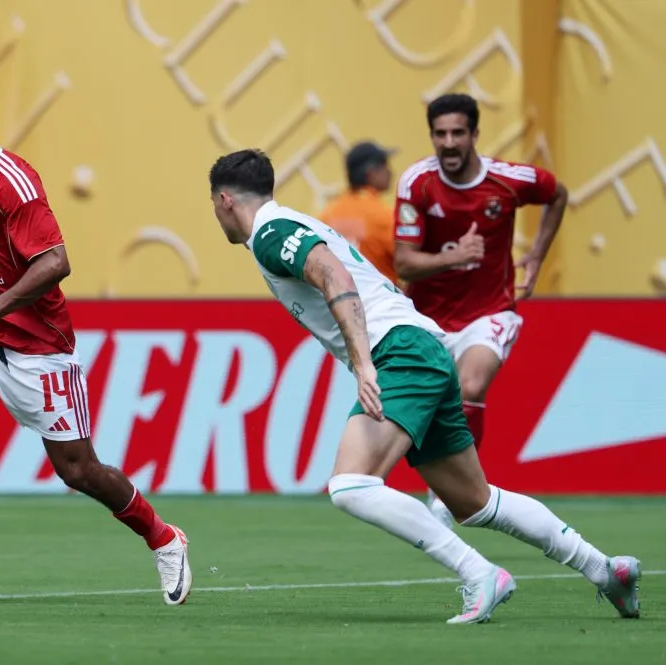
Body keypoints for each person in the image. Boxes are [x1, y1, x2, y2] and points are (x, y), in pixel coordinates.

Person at [207, 148, 640, 624]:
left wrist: (363, 361)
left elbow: (333, 275)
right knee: (476, 501)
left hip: (400, 351)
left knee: (351, 484)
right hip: (423, 345)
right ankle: (605, 569)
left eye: (213, 207)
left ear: (225, 200)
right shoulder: (290, 222)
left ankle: (479, 574)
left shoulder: (270, 233)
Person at [0, 73, 191, 606]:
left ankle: (163, 538)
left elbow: (55, 262)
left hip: (37, 347)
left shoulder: (13, 183)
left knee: (78, 470)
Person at [392, 93, 570, 528]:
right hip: (428, 318)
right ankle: (439, 484)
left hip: (489, 311)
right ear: (431, 135)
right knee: (429, 402)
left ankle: (451, 492)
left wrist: (538, 255)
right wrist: (454, 257)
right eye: (440, 134)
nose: (448, 143)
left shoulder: (509, 180)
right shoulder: (417, 183)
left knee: (470, 385)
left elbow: (558, 195)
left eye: (457, 133)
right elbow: (403, 262)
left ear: (474, 135)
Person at [318, 141, 399, 285]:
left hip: (339, 300)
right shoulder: (383, 215)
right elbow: (408, 260)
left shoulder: (327, 213)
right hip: (381, 300)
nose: (390, 171)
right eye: (385, 165)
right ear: (371, 174)